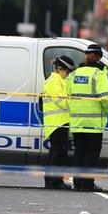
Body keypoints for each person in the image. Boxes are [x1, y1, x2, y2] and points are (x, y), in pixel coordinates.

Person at [66, 44, 108, 192]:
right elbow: (105, 99)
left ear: (86, 55)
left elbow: (67, 95)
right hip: (93, 123)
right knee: (91, 154)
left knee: (79, 153)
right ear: (99, 58)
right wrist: (107, 111)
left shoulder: (74, 74)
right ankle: (87, 184)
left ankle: (77, 183)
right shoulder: (99, 75)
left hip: (77, 122)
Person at [41, 55, 76, 190]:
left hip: (60, 122)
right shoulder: (54, 81)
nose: (67, 74)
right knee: (58, 153)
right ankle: (54, 181)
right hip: (56, 123)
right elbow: (62, 102)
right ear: (60, 68)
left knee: (56, 153)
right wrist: (75, 102)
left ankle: (52, 181)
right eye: (67, 71)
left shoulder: (60, 80)